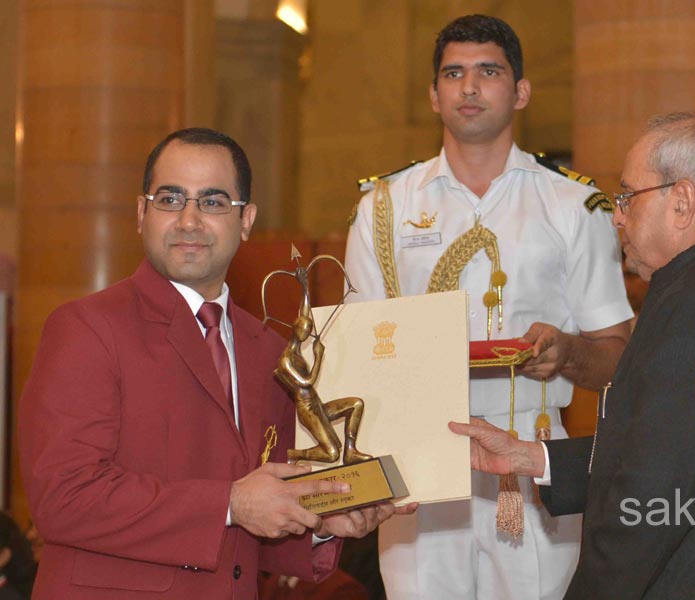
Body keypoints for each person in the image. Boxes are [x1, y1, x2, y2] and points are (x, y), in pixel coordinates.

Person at [18, 128, 407, 599]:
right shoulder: (86, 328)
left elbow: (253, 529)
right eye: (170, 198)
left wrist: (321, 521)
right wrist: (231, 503)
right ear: (142, 213)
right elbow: (65, 498)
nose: (189, 220)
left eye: (213, 202)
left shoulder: (268, 348)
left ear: (246, 220)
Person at [451, 112, 695, 599]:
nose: (617, 215)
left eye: (627, 196)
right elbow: (668, 448)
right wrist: (532, 457)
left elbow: (652, 496)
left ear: (683, 202)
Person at [343, 13, 633, 600]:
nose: (469, 87)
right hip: (415, 457)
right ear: (433, 94)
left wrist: (568, 353)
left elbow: (620, 355)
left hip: (531, 449)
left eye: (488, 71)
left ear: (521, 90)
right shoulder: (384, 207)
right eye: (453, 73)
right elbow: (356, 353)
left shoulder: (574, 205)